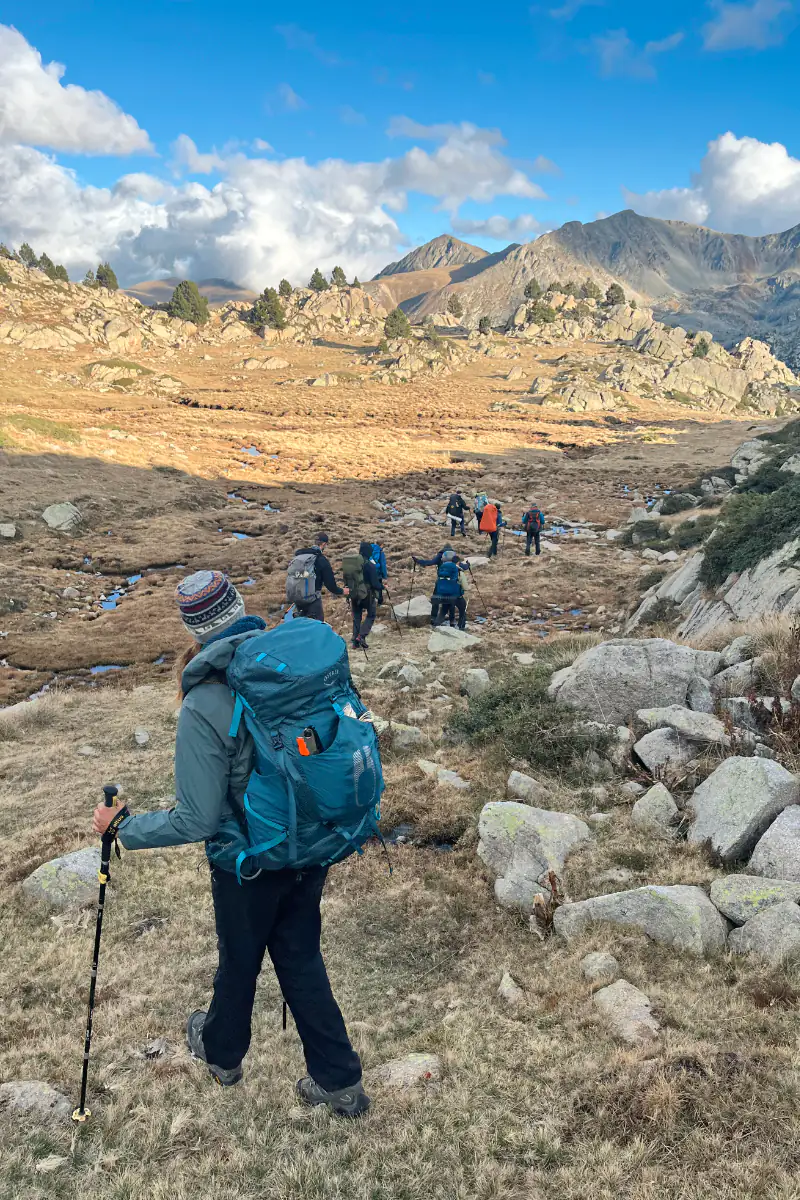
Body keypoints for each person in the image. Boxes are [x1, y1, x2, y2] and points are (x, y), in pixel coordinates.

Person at [91, 570, 369, 1117]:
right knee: (300, 955)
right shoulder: (288, 670)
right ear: (241, 606)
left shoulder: (203, 703)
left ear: (191, 628)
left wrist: (122, 828)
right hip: (311, 843)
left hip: (247, 862)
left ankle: (221, 1054)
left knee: (240, 959)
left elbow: (196, 818)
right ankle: (339, 1082)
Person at [286, 532, 344, 622]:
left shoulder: (300, 556)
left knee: (301, 625)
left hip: (298, 598)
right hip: (313, 600)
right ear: (324, 544)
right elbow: (330, 585)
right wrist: (342, 591)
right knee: (317, 627)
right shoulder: (320, 560)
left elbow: (301, 575)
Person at [412, 546, 469, 630]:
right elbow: (465, 586)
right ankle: (459, 626)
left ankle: (435, 624)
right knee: (462, 608)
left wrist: (417, 561)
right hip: (455, 595)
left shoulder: (442, 566)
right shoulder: (458, 569)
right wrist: (468, 564)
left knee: (443, 609)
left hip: (442, 593)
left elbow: (429, 562)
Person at [343, 542, 382, 649]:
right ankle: (361, 636)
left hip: (354, 594)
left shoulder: (353, 565)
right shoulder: (370, 565)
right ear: (369, 552)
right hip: (367, 595)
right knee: (371, 615)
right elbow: (375, 584)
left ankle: (355, 641)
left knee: (356, 616)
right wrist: (382, 587)